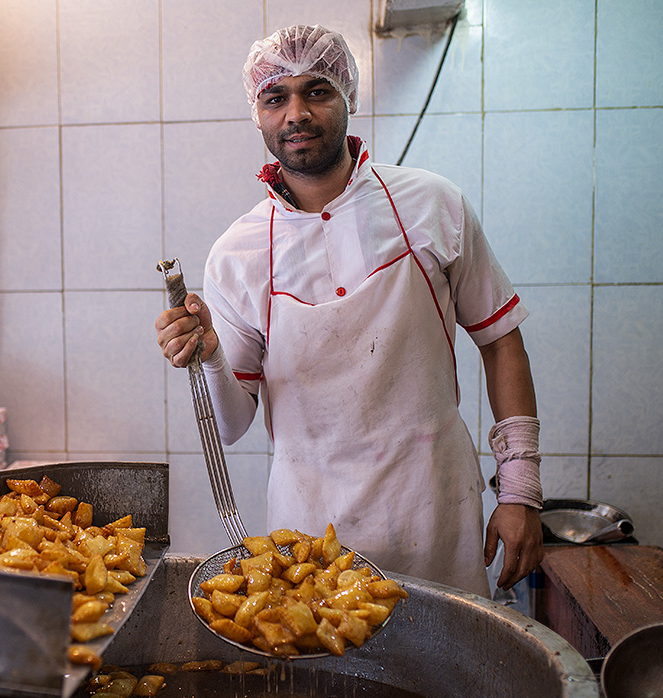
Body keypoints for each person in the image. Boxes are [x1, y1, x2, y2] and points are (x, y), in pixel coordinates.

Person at [155, 24, 543, 596]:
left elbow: (501, 340)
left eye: (317, 91)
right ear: (256, 114)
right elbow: (233, 424)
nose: (296, 113)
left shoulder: (432, 204)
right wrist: (208, 353)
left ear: (349, 98)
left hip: (434, 512)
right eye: (275, 97)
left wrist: (520, 491)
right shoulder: (236, 253)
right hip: (308, 532)